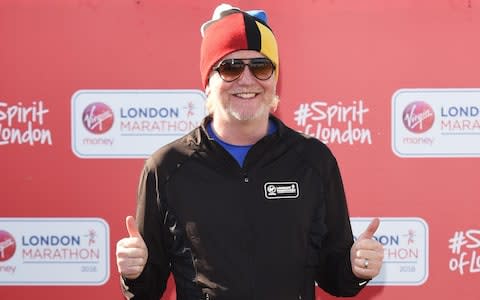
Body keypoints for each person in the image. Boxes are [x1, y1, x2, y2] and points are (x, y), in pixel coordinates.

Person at [116, 3, 384, 300]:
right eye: (230, 67)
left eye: (261, 66)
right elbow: (147, 290)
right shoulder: (167, 167)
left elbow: (334, 276)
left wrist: (354, 268)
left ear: (274, 77)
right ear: (208, 81)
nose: (247, 80)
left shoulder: (313, 160)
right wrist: (135, 273)